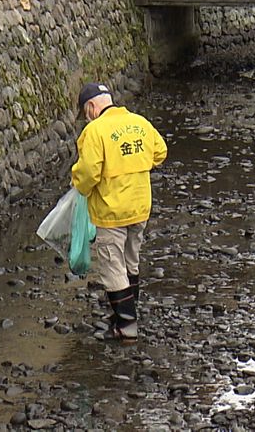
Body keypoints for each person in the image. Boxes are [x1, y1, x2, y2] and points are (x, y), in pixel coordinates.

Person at [71, 83, 167, 343]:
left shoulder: (95, 131)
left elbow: (89, 172)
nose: (86, 117)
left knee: (113, 266)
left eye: (85, 112)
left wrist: (77, 185)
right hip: (140, 205)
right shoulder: (139, 123)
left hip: (111, 210)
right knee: (130, 261)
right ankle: (127, 313)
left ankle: (126, 325)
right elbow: (160, 152)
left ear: (91, 107)